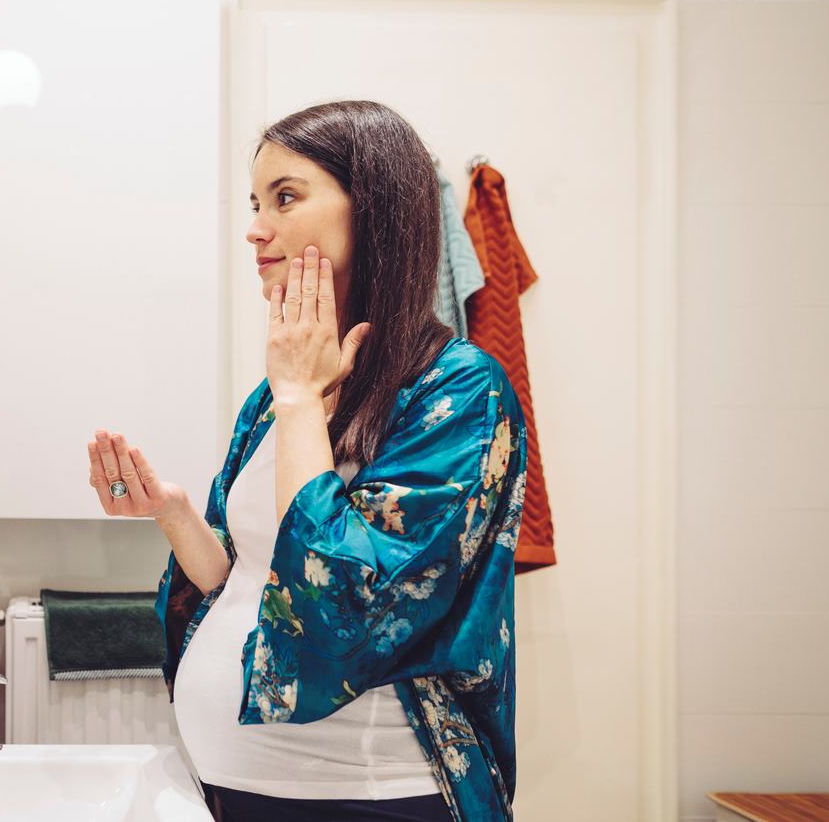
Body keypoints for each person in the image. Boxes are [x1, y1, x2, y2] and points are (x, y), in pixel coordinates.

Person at [86, 100, 528, 822]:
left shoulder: (460, 391)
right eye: (256, 202)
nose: (255, 227)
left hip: (372, 797)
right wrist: (172, 515)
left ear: (375, 210)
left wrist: (298, 400)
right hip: (240, 791)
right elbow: (254, 581)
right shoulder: (274, 396)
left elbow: (340, 612)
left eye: (285, 197)